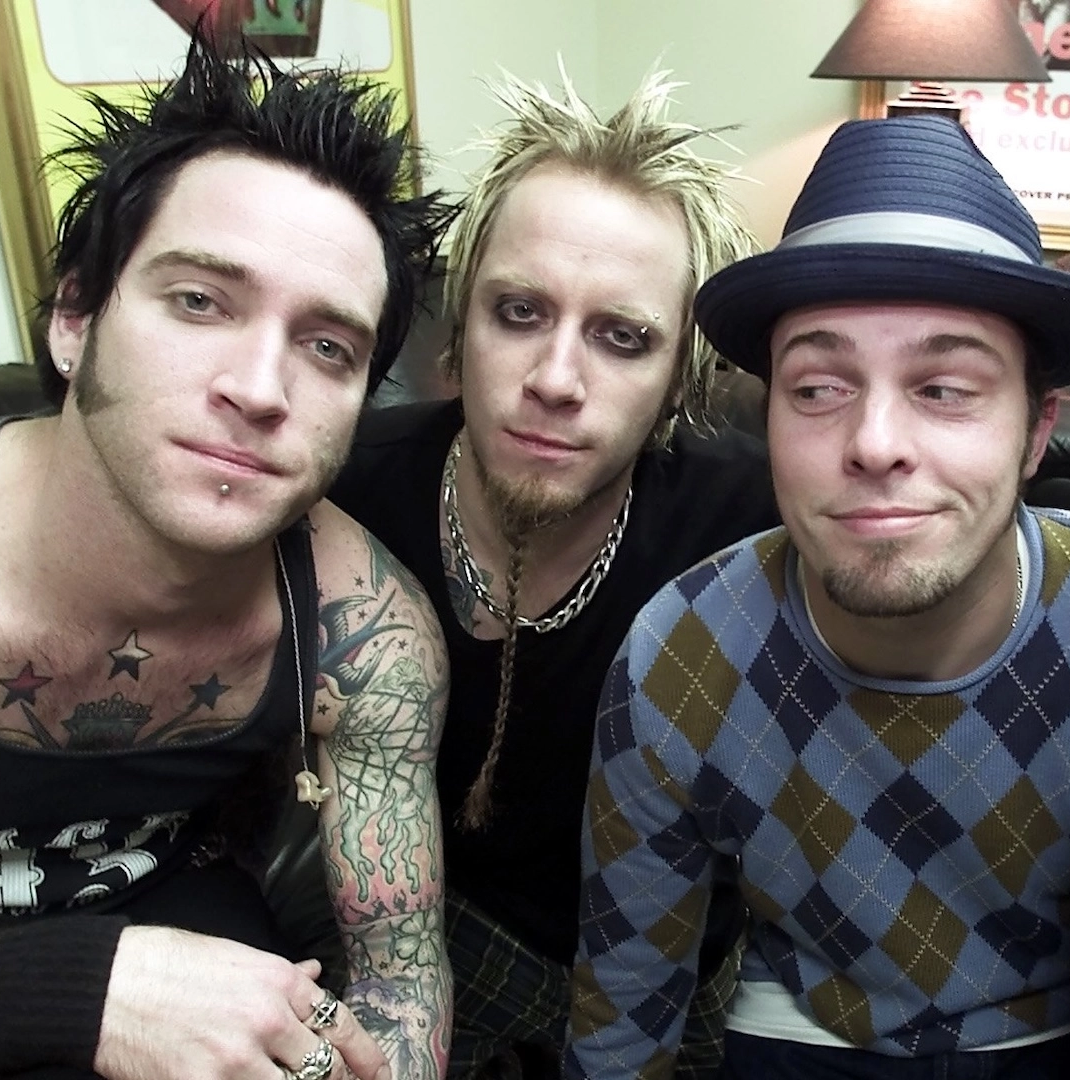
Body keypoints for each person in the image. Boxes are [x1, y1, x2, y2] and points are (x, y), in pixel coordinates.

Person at [0, 39, 456, 1080]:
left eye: (328, 347)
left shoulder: (369, 633)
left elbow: (402, 991)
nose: (260, 388)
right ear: (74, 320)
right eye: (200, 301)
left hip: (201, 941)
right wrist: (71, 988)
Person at [565, 116, 1070, 1080]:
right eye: (818, 388)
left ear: (1036, 431)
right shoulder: (680, 656)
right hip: (802, 1034)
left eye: (945, 388)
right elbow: (624, 1005)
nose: (876, 443)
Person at [325, 69, 775, 1078]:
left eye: (623, 338)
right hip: (440, 930)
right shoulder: (347, 492)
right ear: (458, 330)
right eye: (519, 312)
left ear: (678, 378)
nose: (557, 381)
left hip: (674, 961)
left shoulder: (752, 523)